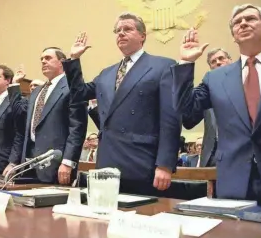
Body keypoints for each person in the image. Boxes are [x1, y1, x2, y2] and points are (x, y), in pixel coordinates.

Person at [62, 12, 181, 196]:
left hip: (142, 163)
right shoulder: (107, 73)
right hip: (107, 163)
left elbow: (170, 119)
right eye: (118, 30)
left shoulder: (163, 66)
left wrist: (165, 164)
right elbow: (79, 93)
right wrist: (74, 60)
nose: (121, 34)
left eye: (127, 29)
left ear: (142, 36)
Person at [171, 4, 261, 204]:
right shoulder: (216, 78)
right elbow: (187, 115)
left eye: (250, 19)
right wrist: (186, 64)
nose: (243, 23)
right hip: (233, 182)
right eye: (237, 22)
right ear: (234, 36)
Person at [9, 47, 88, 185]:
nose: (43, 61)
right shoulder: (37, 91)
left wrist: (68, 162)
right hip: (28, 163)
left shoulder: (71, 87)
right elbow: (20, 117)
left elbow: (77, 127)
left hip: (56, 165)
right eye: (41, 59)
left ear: (62, 62)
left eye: (48, 58)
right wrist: (15, 84)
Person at [182, 48, 232, 167]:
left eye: (221, 58)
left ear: (230, 60)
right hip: (212, 158)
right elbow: (189, 118)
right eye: (213, 62)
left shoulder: (244, 82)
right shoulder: (207, 91)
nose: (218, 62)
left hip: (240, 155)